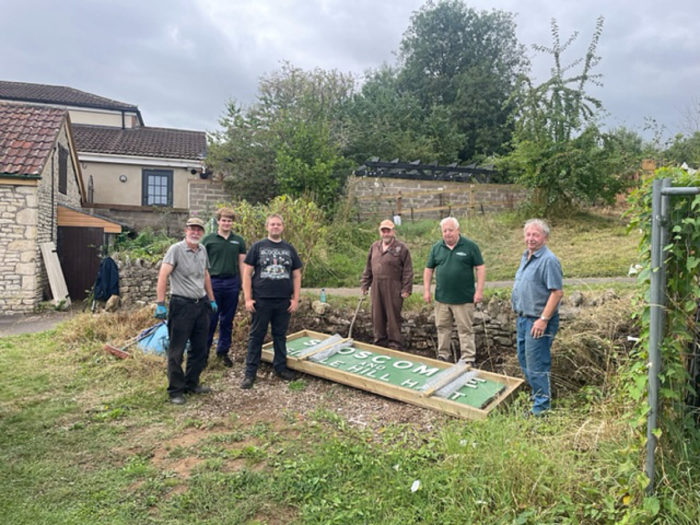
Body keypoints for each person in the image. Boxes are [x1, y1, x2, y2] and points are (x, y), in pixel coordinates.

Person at [155, 217, 217, 405]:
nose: (195, 232)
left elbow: (205, 275)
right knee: (177, 350)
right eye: (192, 229)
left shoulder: (202, 250)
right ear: (186, 230)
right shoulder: (176, 250)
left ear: (202, 233)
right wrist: (160, 302)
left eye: (199, 230)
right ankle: (175, 390)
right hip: (181, 305)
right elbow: (163, 275)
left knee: (199, 348)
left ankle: (192, 383)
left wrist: (211, 299)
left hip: (201, 305)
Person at [240, 213, 302, 389]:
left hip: (283, 301)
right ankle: (250, 373)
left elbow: (296, 275)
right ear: (267, 227)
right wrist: (247, 298)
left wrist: (295, 299)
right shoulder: (257, 247)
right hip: (261, 300)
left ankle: (280, 368)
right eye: (272, 224)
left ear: (282, 227)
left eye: (278, 224)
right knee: (256, 336)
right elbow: (246, 273)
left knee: (280, 336)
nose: (275, 227)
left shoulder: (289, 249)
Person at [511, 219, 563, 416]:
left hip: (538, 321)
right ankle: (536, 397)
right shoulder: (526, 256)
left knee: (537, 363)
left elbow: (557, 292)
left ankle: (541, 408)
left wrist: (543, 319)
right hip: (523, 319)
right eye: (528, 235)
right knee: (524, 359)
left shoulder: (548, 260)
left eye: (535, 235)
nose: (530, 239)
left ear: (545, 237)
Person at [422, 217, 485, 364]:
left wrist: (479, 291)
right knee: (442, 328)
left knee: (465, 329)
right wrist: (426, 290)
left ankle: (468, 358)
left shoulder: (470, 246)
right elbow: (428, 269)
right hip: (442, 299)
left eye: (450, 230)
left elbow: (480, 268)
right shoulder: (436, 248)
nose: (447, 233)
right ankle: (443, 355)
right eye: (444, 231)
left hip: (464, 299)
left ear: (458, 230)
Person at [202, 207, 246, 367]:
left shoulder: (238, 241)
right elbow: (201, 264)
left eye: (229, 220)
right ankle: (203, 354)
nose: (226, 223)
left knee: (227, 320)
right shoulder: (208, 240)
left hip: (232, 282)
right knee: (210, 319)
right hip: (213, 283)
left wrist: (243, 284)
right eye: (224, 220)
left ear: (232, 223)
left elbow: (242, 263)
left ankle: (223, 352)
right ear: (218, 221)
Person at [360, 219, 413, 349]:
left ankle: (395, 344)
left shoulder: (402, 248)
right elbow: (368, 267)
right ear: (380, 232)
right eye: (383, 231)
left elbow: (408, 270)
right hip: (376, 286)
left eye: (388, 231)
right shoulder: (374, 247)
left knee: (393, 316)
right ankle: (380, 343)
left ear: (393, 232)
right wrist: (364, 285)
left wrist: (406, 288)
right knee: (377, 315)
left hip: (393, 286)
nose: (386, 234)